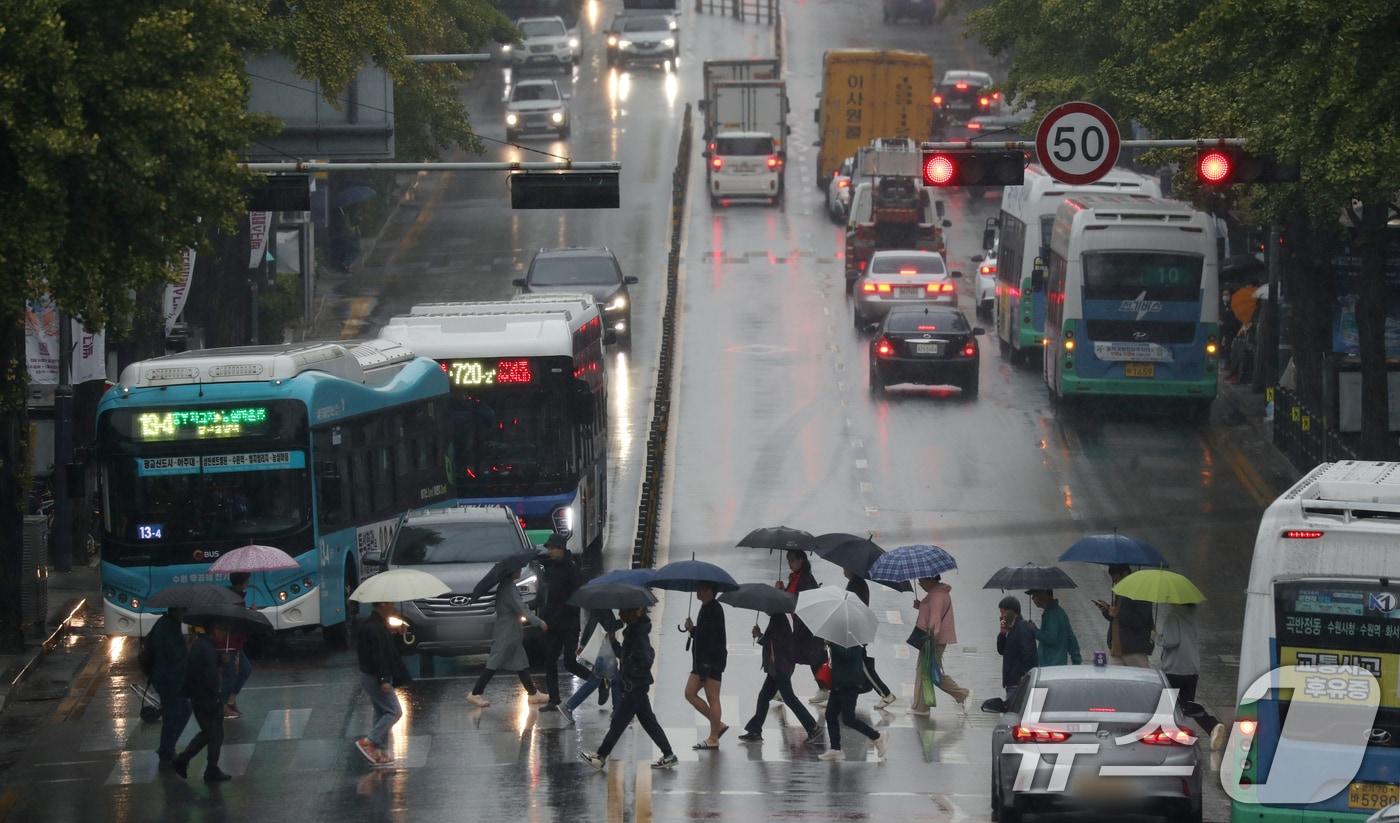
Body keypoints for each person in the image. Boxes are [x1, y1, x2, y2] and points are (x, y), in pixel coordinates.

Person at [579, 607, 678, 771]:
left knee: (619, 722)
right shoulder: (634, 630)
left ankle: (601, 756)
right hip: (635, 685)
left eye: (625, 611)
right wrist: (614, 643)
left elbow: (646, 658)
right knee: (645, 722)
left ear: (637, 611)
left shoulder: (638, 633)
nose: (621, 614)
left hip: (635, 685)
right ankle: (669, 754)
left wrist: (631, 675)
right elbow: (627, 655)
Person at [468, 567, 549, 707]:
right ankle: (475, 693)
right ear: (511, 571)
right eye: (518, 569)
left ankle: (533, 693)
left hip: (512, 632)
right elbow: (521, 608)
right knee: (494, 662)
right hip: (506, 632)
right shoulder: (509, 588)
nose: (520, 570)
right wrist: (538, 622)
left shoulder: (507, 586)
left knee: (520, 662)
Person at [737, 613, 822, 743]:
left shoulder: (778, 619)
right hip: (779, 666)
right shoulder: (781, 618)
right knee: (764, 696)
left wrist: (759, 635)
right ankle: (755, 730)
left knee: (789, 698)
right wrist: (761, 635)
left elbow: (774, 642)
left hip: (780, 666)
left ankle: (812, 727)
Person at [1158, 603, 1228, 751]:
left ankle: (1170, 739)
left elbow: (1171, 641)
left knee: (1167, 706)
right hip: (1191, 669)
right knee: (1187, 706)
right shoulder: (1192, 617)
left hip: (1174, 668)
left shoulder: (1173, 617)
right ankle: (1212, 725)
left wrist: (1157, 637)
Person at [536, 535, 592, 710]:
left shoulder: (572, 569)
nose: (550, 551)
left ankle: (597, 681)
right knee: (550, 661)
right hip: (552, 624)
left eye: (552, 548)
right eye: (549, 548)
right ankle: (554, 699)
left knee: (570, 662)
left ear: (561, 548)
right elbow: (548, 596)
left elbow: (574, 599)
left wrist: (560, 615)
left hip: (568, 624)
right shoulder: (550, 568)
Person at [171, 622, 231, 782]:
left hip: (200, 696)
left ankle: (204, 766)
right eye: (223, 630)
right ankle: (188, 761)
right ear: (215, 629)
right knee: (213, 732)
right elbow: (209, 676)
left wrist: (221, 659)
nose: (225, 635)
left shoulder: (204, 645)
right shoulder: (205, 648)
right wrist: (217, 697)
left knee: (212, 732)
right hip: (206, 698)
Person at [355, 601, 408, 765]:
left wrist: (390, 631)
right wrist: (384, 679)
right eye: (390, 603)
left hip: (370, 675)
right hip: (375, 676)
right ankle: (369, 742)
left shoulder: (375, 625)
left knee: (381, 712)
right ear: (383, 604)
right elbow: (379, 656)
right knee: (394, 711)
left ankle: (380, 751)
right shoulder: (376, 628)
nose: (393, 606)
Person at [817, 641, 887, 762]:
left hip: (849, 683)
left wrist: (833, 645)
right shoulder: (842, 636)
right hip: (838, 681)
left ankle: (877, 736)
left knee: (848, 719)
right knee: (830, 714)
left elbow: (847, 654)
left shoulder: (854, 639)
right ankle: (835, 749)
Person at [912, 575, 971, 714]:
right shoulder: (937, 593)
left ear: (930, 580)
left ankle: (962, 694)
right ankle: (921, 706)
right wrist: (920, 606)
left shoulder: (937, 596)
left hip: (932, 640)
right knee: (925, 671)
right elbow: (930, 612)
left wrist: (930, 640)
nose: (921, 585)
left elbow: (934, 621)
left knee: (929, 672)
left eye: (922, 582)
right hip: (931, 639)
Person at [142, 607, 190, 769]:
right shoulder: (168, 628)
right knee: (175, 714)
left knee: (181, 711)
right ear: (177, 610)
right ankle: (166, 752)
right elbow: (175, 656)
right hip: (168, 680)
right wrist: (188, 647)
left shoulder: (166, 623)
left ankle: (167, 749)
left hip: (166, 678)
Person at [779, 551, 829, 704]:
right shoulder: (796, 577)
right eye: (788, 560)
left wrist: (783, 593)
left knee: (810, 658)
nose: (790, 563)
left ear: (801, 560)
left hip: (807, 626)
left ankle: (823, 689)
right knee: (797, 657)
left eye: (793, 560)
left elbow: (799, 600)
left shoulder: (806, 578)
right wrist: (781, 591)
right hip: (800, 625)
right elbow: (790, 598)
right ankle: (782, 689)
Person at [684, 583, 729, 748]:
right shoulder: (706, 607)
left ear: (709, 590)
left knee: (713, 698)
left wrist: (706, 665)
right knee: (690, 693)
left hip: (710, 662)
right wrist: (692, 630)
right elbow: (703, 634)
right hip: (702, 661)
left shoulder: (714, 609)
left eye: (700, 588)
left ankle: (713, 738)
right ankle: (719, 725)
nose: (697, 591)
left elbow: (711, 639)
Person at [561, 608, 622, 725]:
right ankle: (569, 706)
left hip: (603, 649)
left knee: (613, 680)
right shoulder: (605, 610)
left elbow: (590, 625)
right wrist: (621, 622)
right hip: (604, 649)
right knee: (596, 681)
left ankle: (617, 710)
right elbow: (609, 627)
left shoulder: (597, 608)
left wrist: (583, 643)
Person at [843, 569, 895, 707]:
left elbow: (852, 607)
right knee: (856, 664)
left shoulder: (856, 584)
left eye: (844, 567)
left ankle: (886, 693)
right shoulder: (857, 583)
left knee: (863, 665)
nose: (843, 570)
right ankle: (843, 694)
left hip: (856, 631)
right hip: (856, 630)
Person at [1095, 565, 1154, 667]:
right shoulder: (1120, 593)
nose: (1114, 583)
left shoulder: (1141, 594)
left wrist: (1117, 613)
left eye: (1116, 579)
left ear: (1125, 574)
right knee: (1114, 682)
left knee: (1140, 681)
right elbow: (1118, 619)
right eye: (1113, 580)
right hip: (1116, 649)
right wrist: (1107, 611)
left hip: (1134, 651)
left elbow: (1140, 622)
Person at [219, 572, 254, 719]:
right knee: (230, 674)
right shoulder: (234, 598)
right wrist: (251, 614)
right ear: (243, 582)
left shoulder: (237, 596)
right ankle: (223, 705)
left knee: (245, 670)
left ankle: (231, 699)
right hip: (228, 642)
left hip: (236, 642)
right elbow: (237, 620)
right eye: (247, 580)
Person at [996, 596, 1037, 705]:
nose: (1002, 616)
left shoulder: (1022, 627)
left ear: (1011, 611)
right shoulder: (1010, 628)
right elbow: (1001, 650)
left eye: (1003, 613)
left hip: (1017, 681)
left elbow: (1027, 652)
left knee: (1013, 712)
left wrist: (1024, 675)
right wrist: (1002, 633)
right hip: (1010, 681)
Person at [1028, 589, 1082, 666]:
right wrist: (1076, 660)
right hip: (1056, 665)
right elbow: (1071, 638)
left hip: (1051, 665)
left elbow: (1050, 638)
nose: (1032, 598)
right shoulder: (1058, 612)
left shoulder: (1052, 614)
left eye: (1034, 595)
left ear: (1044, 594)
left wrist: (1034, 630)